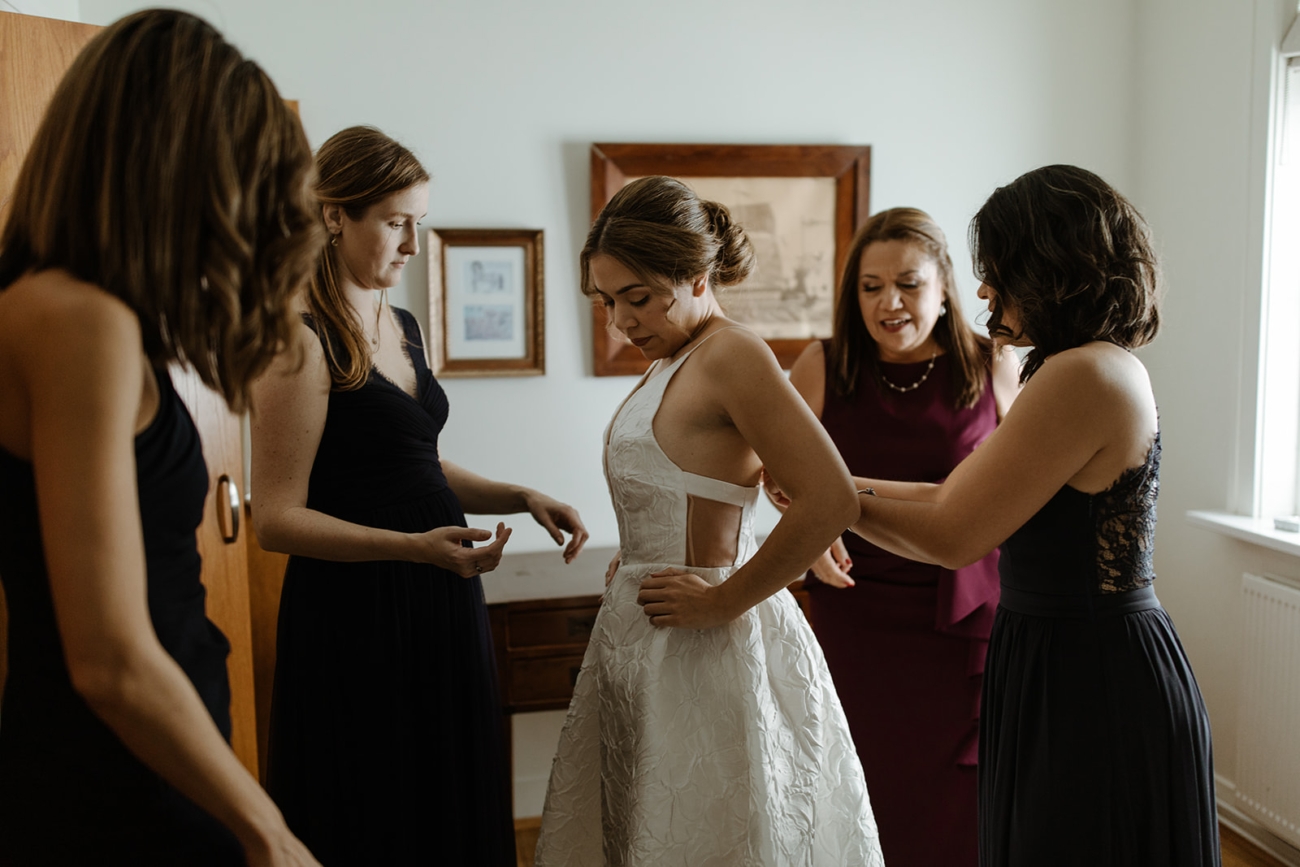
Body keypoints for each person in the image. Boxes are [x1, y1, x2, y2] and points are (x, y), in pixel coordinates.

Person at [0, 10, 321, 865]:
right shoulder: (77, 321)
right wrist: (270, 829)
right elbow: (108, 655)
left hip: (149, 765)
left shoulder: (72, 310)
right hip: (115, 789)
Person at [849, 165, 1218, 866]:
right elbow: (952, 495)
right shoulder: (1078, 367)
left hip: (1089, 674)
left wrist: (830, 503)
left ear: (1051, 268)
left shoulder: (1083, 375)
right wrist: (838, 484)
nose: (984, 290)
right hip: (1065, 658)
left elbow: (953, 533)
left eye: (999, 270)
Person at [250, 125, 589, 865]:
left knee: (445, 788)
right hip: (355, 613)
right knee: (375, 800)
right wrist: (411, 548)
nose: (411, 244)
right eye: (397, 222)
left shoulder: (402, 326)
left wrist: (519, 494)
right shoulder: (298, 340)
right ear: (336, 215)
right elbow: (274, 519)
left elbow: (419, 463)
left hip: (439, 594)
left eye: (419, 224)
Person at [536, 176, 885, 866]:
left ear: (697, 274)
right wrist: (638, 552)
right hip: (646, 640)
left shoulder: (732, 353)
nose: (621, 322)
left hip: (711, 645)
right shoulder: (675, 357)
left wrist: (724, 596)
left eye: (637, 298)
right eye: (608, 302)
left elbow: (831, 497)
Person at [771, 207, 1019, 867]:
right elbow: (776, 473)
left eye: (908, 283)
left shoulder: (994, 365)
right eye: (871, 286)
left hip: (962, 616)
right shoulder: (822, 365)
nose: (890, 302)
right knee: (861, 776)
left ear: (944, 287)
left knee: (957, 793)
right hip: (856, 608)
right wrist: (807, 531)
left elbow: (1023, 488)